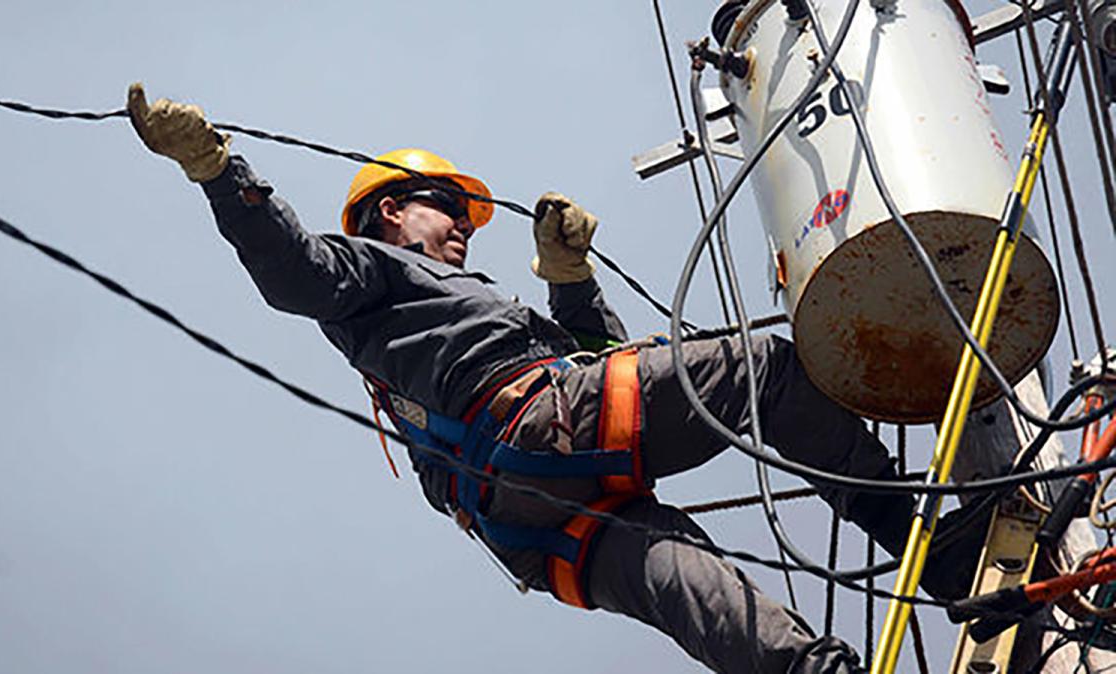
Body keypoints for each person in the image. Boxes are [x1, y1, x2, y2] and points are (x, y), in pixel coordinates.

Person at [125, 83, 982, 674]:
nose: (464, 228)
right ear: (392, 210)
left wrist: (566, 276)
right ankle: (933, 548)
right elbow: (293, 272)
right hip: (543, 433)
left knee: (694, 586)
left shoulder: (439, 312)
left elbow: (603, 361)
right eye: (448, 212)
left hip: (534, 520)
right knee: (771, 369)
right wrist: (217, 170)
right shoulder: (368, 274)